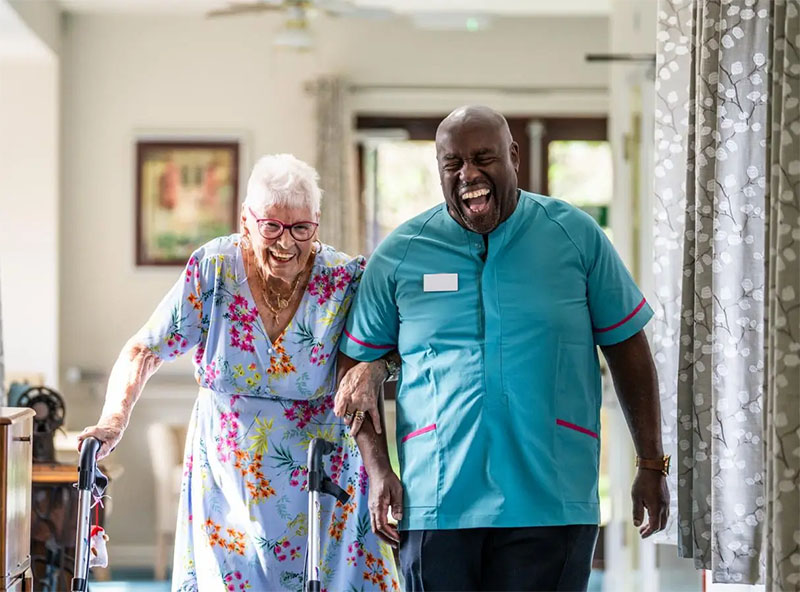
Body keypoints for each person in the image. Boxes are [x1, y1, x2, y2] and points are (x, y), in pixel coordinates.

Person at [335, 105, 670, 591]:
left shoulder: (575, 237)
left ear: (513, 156)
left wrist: (651, 463)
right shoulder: (401, 253)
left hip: (551, 496)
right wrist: (378, 468)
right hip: (436, 499)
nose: (468, 175)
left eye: (483, 158)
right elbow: (354, 369)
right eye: (453, 164)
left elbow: (628, 349)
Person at [79, 154, 400, 592]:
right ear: (246, 219)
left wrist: (377, 367)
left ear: (317, 224)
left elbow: (397, 344)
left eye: (301, 229)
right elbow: (145, 349)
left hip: (322, 480)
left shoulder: (343, 279)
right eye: (272, 226)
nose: (286, 242)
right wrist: (113, 421)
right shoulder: (214, 269)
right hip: (228, 483)